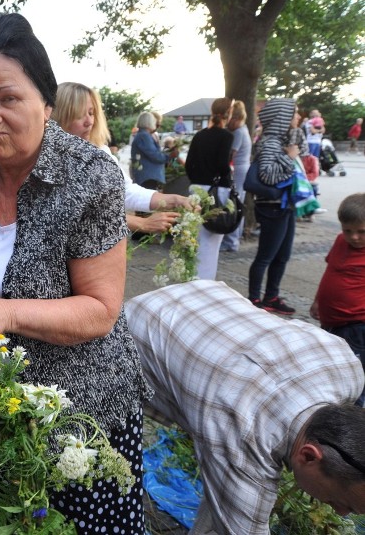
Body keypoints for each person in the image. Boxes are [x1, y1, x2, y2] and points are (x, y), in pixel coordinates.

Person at [0, 12, 151, 533]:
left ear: (46, 102)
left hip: (81, 417)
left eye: (8, 98)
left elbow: (100, 310)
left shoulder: (91, 177)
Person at [126, 280, 365, 533]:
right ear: (308, 455)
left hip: (206, 297)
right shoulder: (244, 436)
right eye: (343, 503)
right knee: (106, 454)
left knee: (227, 491)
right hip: (139, 325)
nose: (340, 512)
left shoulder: (347, 367)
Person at [54, 82, 189, 235]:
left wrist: (175, 200)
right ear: (61, 116)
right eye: (80, 115)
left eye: (91, 113)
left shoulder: (101, 151)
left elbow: (125, 191)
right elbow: (74, 212)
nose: (89, 121)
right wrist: (140, 222)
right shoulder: (47, 158)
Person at [311, 193, 365, 404]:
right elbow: (331, 270)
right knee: (333, 368)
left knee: (355, 376)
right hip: (331, 322)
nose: (353, 237)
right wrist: (318, 300)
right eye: (347, 230)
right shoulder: (340, 241)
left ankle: (357, 417)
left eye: (362, 232)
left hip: (357, 326)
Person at [248, 98, 300, 314]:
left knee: (282, 255)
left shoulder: (281, 140)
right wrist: (289, 159)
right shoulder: (269, 142)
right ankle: (254, 300)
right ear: (282, 117)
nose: (298, 117)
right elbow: (267, 175)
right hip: (272, 206)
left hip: (285, 205)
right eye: (294, 113)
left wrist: (293, 144)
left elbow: (301, 153)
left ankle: (272, 297)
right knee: (266, 255)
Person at [184, 97, 234, 280]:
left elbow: (189, 164)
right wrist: (228, 177)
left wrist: (196, 180)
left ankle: (193, 277)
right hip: (216, 189)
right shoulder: (226, 136)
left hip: (197, 187)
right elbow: (222, 163)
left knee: (197, 237)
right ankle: (205, 281)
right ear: (228, 114)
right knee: (212, 240)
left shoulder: (200, 135)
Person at [220, 100, 252, 252]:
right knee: (236, 204)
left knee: (233, 204)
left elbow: (230, 155)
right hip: (241, 169)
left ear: (237, 118)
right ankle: (234, 239)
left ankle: (231, 241)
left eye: (230, 119)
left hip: (238, 170)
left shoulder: (238, 133)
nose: (228, 123)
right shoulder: (243, 130)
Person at [130, 111, 178, 190]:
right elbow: (154, 155)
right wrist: (170, 156)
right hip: (148, 176)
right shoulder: (144, 136)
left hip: (146, 176)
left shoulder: (142, 135)